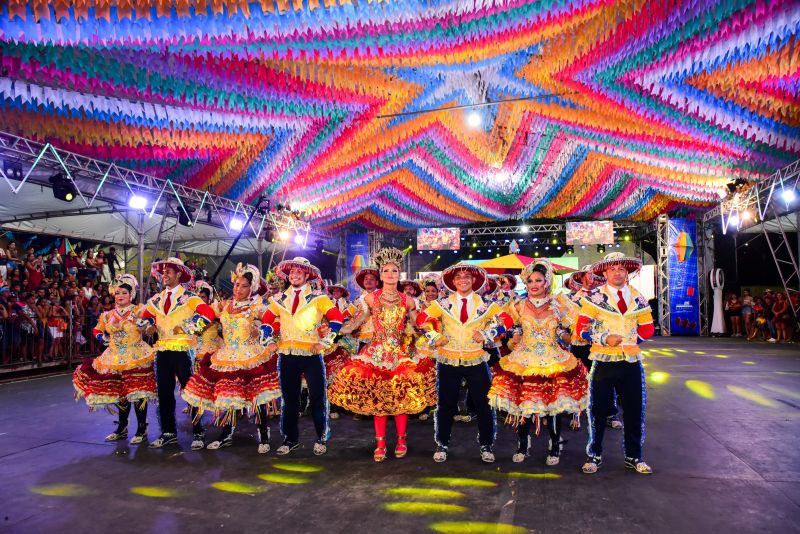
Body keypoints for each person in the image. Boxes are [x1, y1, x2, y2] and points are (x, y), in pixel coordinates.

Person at [328, 248, 436, 462]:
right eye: (386, 270)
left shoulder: (408, 300)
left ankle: (401, 440)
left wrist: (434, 335)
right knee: (378, 398)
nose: (390, 274)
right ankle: (380, 443)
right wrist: (334, 329)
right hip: (375, 354)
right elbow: (354, 321)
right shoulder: (369, 299)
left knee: (400, 398)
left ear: (399, 274)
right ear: (380, 273)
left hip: (399, 354)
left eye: (394, 270)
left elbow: (420, 324)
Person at [489, 260, 588, 465]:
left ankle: (554, 447)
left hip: (553, 360)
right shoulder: (517, 305)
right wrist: (510, 336)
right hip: (524, 360)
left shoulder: (559, 303)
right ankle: (523, 446)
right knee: (525, 406)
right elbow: (508, 326)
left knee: (552, 407)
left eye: (539, 281)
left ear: (547, 282)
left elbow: (574, 326)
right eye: (530, 281)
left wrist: (568, 335)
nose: (534, 284)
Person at [416, 262, 514, 463]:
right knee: (445, 405)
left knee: (484, 405)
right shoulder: (442, 304)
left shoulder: (486, 304)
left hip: (476, 359)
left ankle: (486, 445)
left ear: (474, 281)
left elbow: (508, 320)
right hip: (448, 358)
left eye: (467, 277)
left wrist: (489, 334)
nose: (463, 280)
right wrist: (434, 336)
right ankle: (442, 443)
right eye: (459, 277)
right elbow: (421, 319)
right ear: (453, 282)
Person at [183, 264, 280, 453]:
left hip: (250, 356)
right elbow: (205, 313)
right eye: (236, 284)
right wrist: (190, 322)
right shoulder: (224, 305)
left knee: (257, 398)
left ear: (251, 288)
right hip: (227, 356)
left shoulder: (257, 306)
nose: (238, 289)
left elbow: (274, 320)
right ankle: (226, 433)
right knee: (229, 397)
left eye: (244, 286)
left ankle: (264, 434)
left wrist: (262, 331)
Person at [575, 252, 655, 475]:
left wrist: (631, 341)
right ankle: (594, 454)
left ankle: (634, 456)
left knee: (634, 410)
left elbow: (648, 328)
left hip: (630, 362)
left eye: (621, 268)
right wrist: (604, 339)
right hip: (603, 361)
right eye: (612, 269)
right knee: (598, 410)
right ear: (605, 272)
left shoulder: (638, 298)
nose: (617, 272)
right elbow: (581, 328)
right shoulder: (594, 298)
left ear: (627, 272)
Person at [259, 257, 344, 456]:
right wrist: (268, 341)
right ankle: (290, 439)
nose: (295, 275)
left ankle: (321, 436)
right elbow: (266, 321)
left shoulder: (319, 297)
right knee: (289, 399)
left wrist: (324, 342)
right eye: (292, 272)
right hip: (287, 354)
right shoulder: (279, 298)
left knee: (317, 397)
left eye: (299, 272)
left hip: (311, 354)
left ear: (307, 275)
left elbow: (337, 319)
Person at [137, 257, 215, 450]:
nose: (164, 275)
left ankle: (198, 432)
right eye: (162, 272)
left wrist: (189, 326)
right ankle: (168, 432)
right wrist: (149, 326)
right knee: (164, 393)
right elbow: (144, 318)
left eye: (168, 272)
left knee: (191, 392)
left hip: (183, 350)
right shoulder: (156, 299)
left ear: (179, 274)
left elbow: (208, 314)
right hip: (163, 350)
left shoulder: (189, 297)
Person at [72, 274, 155, 444]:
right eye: (117, 293)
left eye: (124, 292)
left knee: (138, 393)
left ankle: (141, 429)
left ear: (131, 294)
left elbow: (150, 330)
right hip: (114, 358)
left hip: (135, 357)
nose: (120, 296)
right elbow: (96, 330)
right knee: (120, 394)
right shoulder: (108, 314)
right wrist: (102, 338)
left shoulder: (139, 310)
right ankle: (122, 427)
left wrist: (143, 324)